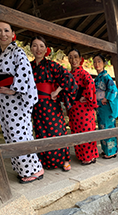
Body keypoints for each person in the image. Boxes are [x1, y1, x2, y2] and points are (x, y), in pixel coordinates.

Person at [0, 22, 43, 184]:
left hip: (17, 102)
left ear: (13, 33)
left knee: (19, 135)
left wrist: (14, 89)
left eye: (6, 30)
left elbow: (25, 73)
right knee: (9, 134)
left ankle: (33, 170)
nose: (3, 34)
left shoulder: (18, 52)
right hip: (3, 100)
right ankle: (25, 168)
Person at [30, 36, 77, 172]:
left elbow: (68, 77)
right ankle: (45, 161)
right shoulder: (29, 66)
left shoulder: (51, 65)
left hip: (50, 105)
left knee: (57, 131)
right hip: (36, 105)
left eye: (41, 46)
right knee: (40, 132)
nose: (38, 49)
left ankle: (64, 160)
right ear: (31, 49)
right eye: (35, 45)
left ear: (46, 50)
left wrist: (57, 90)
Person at [68, 49, 99, 165]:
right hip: (74, 108)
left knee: (86, 130)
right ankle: (82, 155)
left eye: (76, 57)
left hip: (84, 108)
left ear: (81, 59)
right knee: (76, 131)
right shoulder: (70, 74)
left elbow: (90, 83)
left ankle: (89, 156)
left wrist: (85, 96)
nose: (73, 59)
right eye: (70, 57)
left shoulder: (83, 73)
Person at [93, 54, 118, 159]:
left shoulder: (106, 77)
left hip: (106, 107)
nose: (96, 64)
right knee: (102, 128)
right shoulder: (97, 78)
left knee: (109, 128)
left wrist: (107, 98)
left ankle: (111, 151)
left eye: (99, 61)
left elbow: (114, 90)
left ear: (104, 63)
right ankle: (106, 150)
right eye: (94, 62)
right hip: (100, 108)